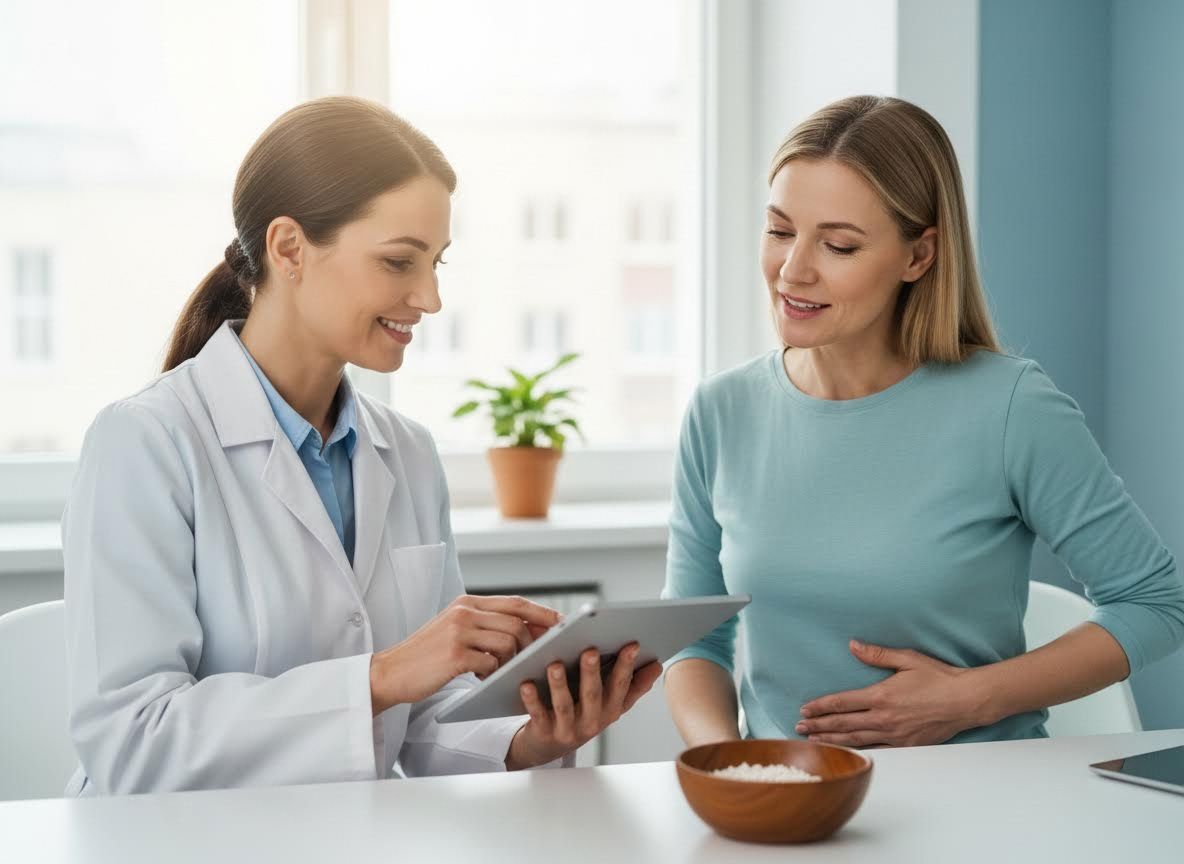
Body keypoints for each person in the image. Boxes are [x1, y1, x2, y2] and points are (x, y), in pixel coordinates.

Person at [63, 96, 660, 795]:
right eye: (399, 262)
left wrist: (531, 738)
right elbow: (134, 743)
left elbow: (426, 721)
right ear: (289, 249)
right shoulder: (145, 443)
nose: (430, 298)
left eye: (437, 263)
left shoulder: (405, 453)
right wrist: (381, 676)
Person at [662, 95, 1184, 749]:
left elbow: (1156, 604)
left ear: (919, 256)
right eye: (779, 230)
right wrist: (729, 763)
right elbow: (692, 639)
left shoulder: (1011, 408)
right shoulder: (721, 412)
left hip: (979, 800)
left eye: (839, 244)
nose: (793, 269)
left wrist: (972, 699)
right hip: (789, 810)